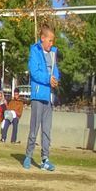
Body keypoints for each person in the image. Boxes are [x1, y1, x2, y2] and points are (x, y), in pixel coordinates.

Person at [23, 25, 61, 171]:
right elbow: (34, 72)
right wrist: (48, 79)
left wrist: (55, 79)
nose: (52, 43)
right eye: (50, 40)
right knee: (34, 128)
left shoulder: (53, 53)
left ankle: (45, 159)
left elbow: (55, 70)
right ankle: (28, 156)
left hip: (49, 97)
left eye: (53, 41)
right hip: (38, 95)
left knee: (47, 130)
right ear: (42, 38)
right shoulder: (35, 51)